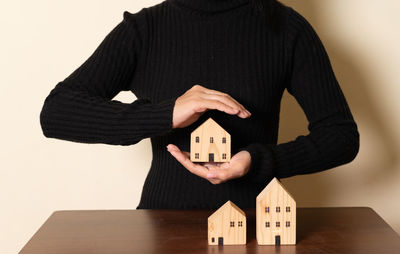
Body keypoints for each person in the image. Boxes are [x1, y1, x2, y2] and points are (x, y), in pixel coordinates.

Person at [39, 0, 360, 209]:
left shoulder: (287, 29)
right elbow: (57, 112)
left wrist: (258, 160)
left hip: (255, 230)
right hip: (161, 228)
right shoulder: (145, 30)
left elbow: (341, 137)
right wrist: (167, 113)